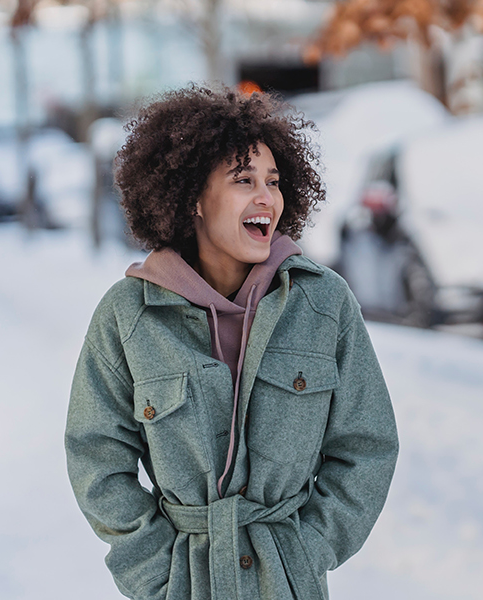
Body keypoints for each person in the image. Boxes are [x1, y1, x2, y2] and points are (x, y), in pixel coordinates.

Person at [65, 86, 398, 600]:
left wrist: (307, 551)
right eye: (243, 180)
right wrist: (157, 573)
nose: (266, 197)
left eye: (273, 180)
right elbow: (96, 458)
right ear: (192, 197)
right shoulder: (129, 316)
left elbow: (366, 445)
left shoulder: (323, 304)